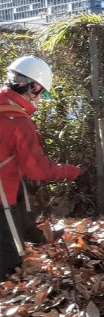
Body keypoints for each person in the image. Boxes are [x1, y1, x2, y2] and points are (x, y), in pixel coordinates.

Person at [0, 56, 81, 280]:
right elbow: (37, 169)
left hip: (7, 179)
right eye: (42, 92)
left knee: (19, 198)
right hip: (0, 192)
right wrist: (69, 171)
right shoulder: (17, 120)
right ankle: (9, 283)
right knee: (9, 257)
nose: (40, 98)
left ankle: (32, 234)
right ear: (32, 87)